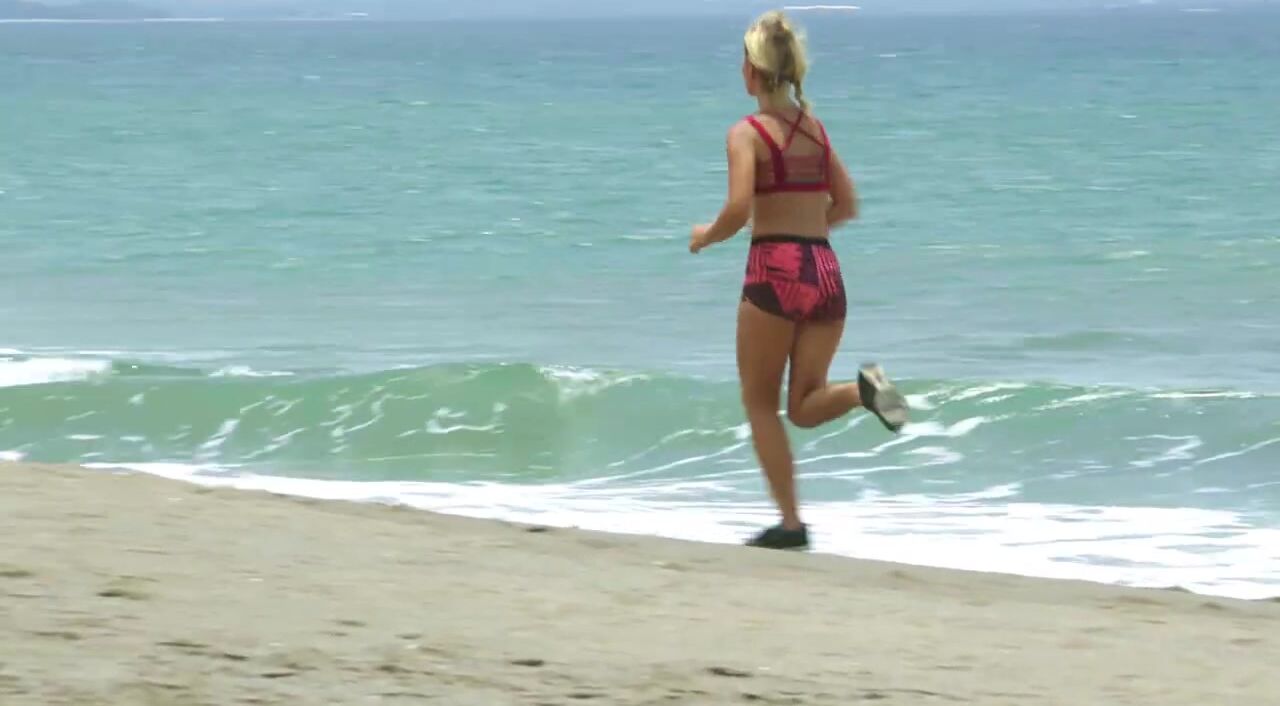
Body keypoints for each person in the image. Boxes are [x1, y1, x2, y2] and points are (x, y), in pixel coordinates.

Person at [688, 9, 909, 550]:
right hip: (825, 272)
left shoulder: (747, 134)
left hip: (774, 272)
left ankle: (791, 524)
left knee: (760, 403)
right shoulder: (815, 131)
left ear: (754, 70)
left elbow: (738, 208)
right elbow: (847, 205)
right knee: (804, 406)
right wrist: (806, 230)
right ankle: (864, 391)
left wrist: (705, 236)